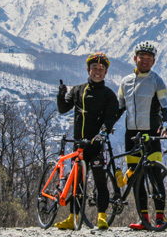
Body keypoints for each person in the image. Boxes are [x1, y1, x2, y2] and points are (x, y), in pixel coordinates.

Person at [54, 52, 118, 230]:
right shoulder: (78, 90)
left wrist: (103, 133)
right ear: (88, 70)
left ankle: (102, 217)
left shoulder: (109, 95)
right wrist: (61, 95)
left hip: (96, 144)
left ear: (106, 72)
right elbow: (62, 109)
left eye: (101, 69)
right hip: (79, 145)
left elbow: (110, 118)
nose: (97, 71)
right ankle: (72, 218)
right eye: (94, 68)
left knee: (99, 180)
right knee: (77, 183)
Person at [117, 41, 167, 230]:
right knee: (135, 178)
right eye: (142, 58)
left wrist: (166, 124)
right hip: (131, 135)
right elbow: (119, 108)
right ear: (135, 58)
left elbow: (165, 105)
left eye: (149, 59)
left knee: (156, 176)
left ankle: (160, 217)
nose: (145, 61)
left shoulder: (157, 80)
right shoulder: (125, 82)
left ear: (154, 61)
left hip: (152, 134)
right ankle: (144, 218)